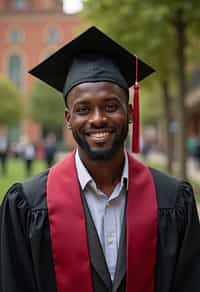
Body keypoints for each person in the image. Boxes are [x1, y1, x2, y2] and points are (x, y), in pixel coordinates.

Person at [0, 26, 200, 292]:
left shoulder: (173, 200)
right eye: (83, 109)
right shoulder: (27, 205)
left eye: (110, 106)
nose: (97, 119)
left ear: (129, 112)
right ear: (68, 120)